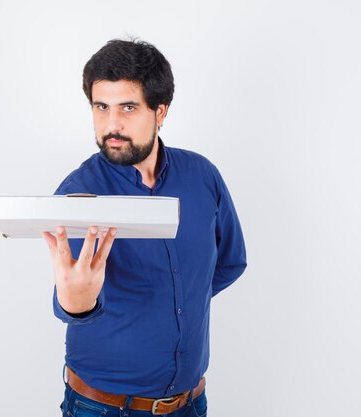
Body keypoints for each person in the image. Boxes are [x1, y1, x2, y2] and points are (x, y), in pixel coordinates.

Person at [42, 38, 247, 417]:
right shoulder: (76, 195)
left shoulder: (202, 176)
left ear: (161, 110)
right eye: (101, 107)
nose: (112, 124)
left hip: (189, 404)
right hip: (102, 408)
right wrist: (77, 303)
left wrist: (175, 301)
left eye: (128, 108)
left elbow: (230, 263)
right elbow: (71, 298)